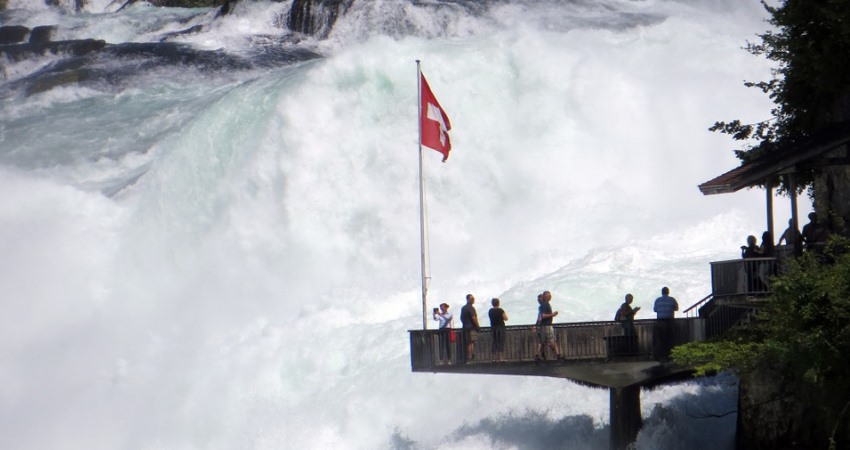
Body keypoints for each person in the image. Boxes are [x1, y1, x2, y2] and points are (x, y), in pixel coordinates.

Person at [533, 290, 562, 361]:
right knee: (552, 340)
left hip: (542, 326)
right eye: (549, 295)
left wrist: (536, 326)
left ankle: (538, 355)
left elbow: (539, 317)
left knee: (541, 341)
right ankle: (558, 355)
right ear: (545, 296)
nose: (551, 297)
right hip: (547, 326)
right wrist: (553, 314)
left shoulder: (542, 306)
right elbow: (542, 316)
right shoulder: (545, 305)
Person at [652, 286, 679, 362]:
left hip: (660, 321)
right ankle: (670, 356)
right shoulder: (672, 299)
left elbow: (655, 310)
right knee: (670, 339)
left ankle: (661, 357)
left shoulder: (657, 300)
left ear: (662, 292)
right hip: (670, 321)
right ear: (668, 292)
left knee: (660, 340)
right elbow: (676, 308)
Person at [460, 294, 480, 363]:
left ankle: (469, 357)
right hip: (471, 328)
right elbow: (473, 318)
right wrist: (477, 326)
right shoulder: (471, 308)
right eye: (472, 299)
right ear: (468, 299)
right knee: (471, 342)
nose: (473, 300)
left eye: (473, 298)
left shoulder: (463, 308)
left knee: (468, 342)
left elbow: (461, 318)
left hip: (465, 327)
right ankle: (470, 357)